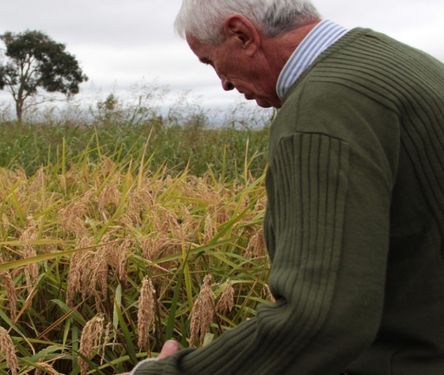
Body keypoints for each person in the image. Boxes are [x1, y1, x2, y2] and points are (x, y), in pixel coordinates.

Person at [124, 0, 444, 373]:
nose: (224, 83)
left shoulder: (322, 110)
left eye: (210, 61)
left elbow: (320, 319)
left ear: (241, 34)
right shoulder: (411, 66)